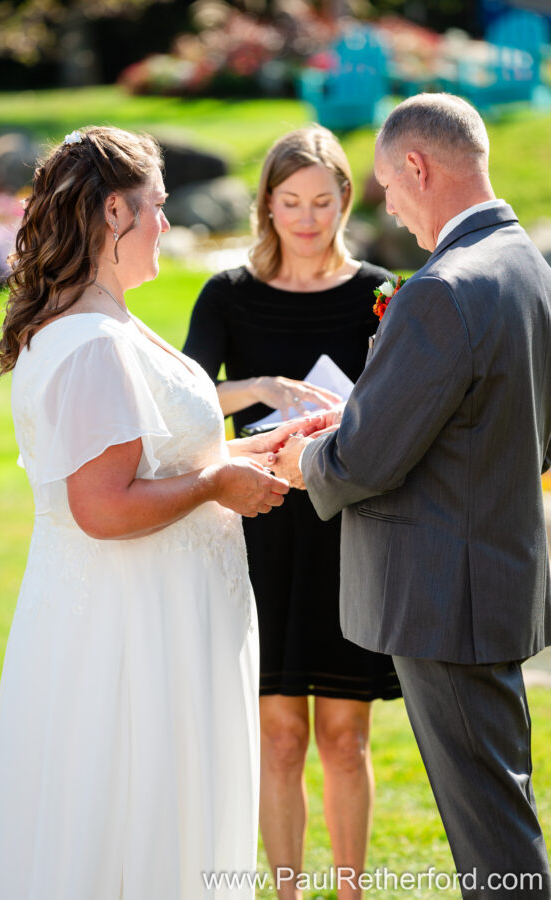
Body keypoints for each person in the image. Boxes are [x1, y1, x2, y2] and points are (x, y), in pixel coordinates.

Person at [0, 125, 305, 900]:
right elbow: (102, 507)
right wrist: (216, 487)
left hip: (155, 612)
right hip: (135, 632)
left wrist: (251, 453)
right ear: (115, 214)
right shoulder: (91, 341)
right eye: (157, 207)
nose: (167, 222)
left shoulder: (101, 320)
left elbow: (158, 454)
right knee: (131, 812)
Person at [273, 94, 551, 899]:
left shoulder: (442, 289)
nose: (388, 204)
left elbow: (360, 460)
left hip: (444, 598)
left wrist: (304, 460)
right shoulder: (528, 263)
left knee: (493, 833)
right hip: (495, 579)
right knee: (500, 808)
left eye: (389, 186)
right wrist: (367, 410)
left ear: (419, 168)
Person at [183, 126, 402, 900]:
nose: (307, 218)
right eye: (290, 202)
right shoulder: (228, 294)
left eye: (323, 199)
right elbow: (187, 401)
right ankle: (284, 895)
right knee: (278, 738)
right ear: (266, 206)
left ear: (346, 198)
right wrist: (266, 388)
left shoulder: (384, 291)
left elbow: (410, 406)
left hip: (352, 532)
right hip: (260, 533)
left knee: (346, 740)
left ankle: (348, 893)